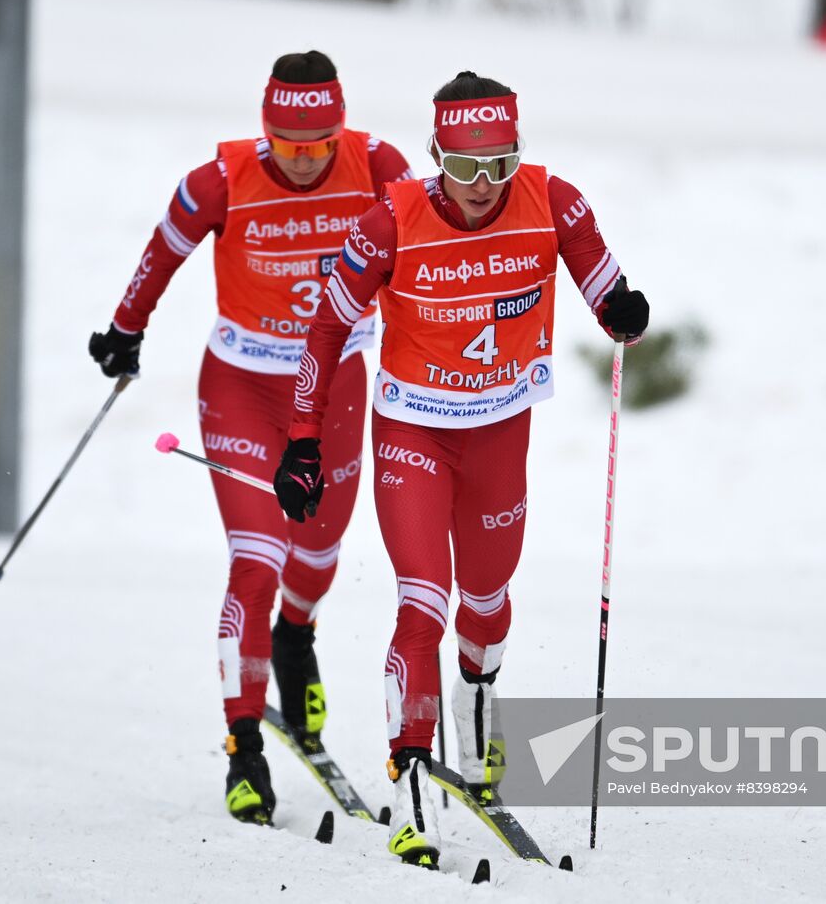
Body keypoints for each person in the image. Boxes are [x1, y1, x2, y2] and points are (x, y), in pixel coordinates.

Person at [274, 71, 649, 865]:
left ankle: (475, 704)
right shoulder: (391, 220)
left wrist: (622, 308)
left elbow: (598, 274)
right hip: (413, 434)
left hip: (498, 432)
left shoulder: (554, 199)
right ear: (434, 155)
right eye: (464, 167)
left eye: (500, 166)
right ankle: (411, 774)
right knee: (425, 602)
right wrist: (305, 434)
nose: (482, 187)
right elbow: (326, 326)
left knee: (487, 602)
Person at [88, 50, 412, 826]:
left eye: (318, 144)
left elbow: (432, 247)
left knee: (319, 550)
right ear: (265, 130)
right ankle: (244, 745)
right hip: (241, 384)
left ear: (339, 130)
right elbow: (160, 254)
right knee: (258, 552)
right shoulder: (222, 180)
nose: (302, 161)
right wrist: (125, 329)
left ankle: (295, 636)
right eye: (287, 145)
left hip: (333, 382)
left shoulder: (376, 165)